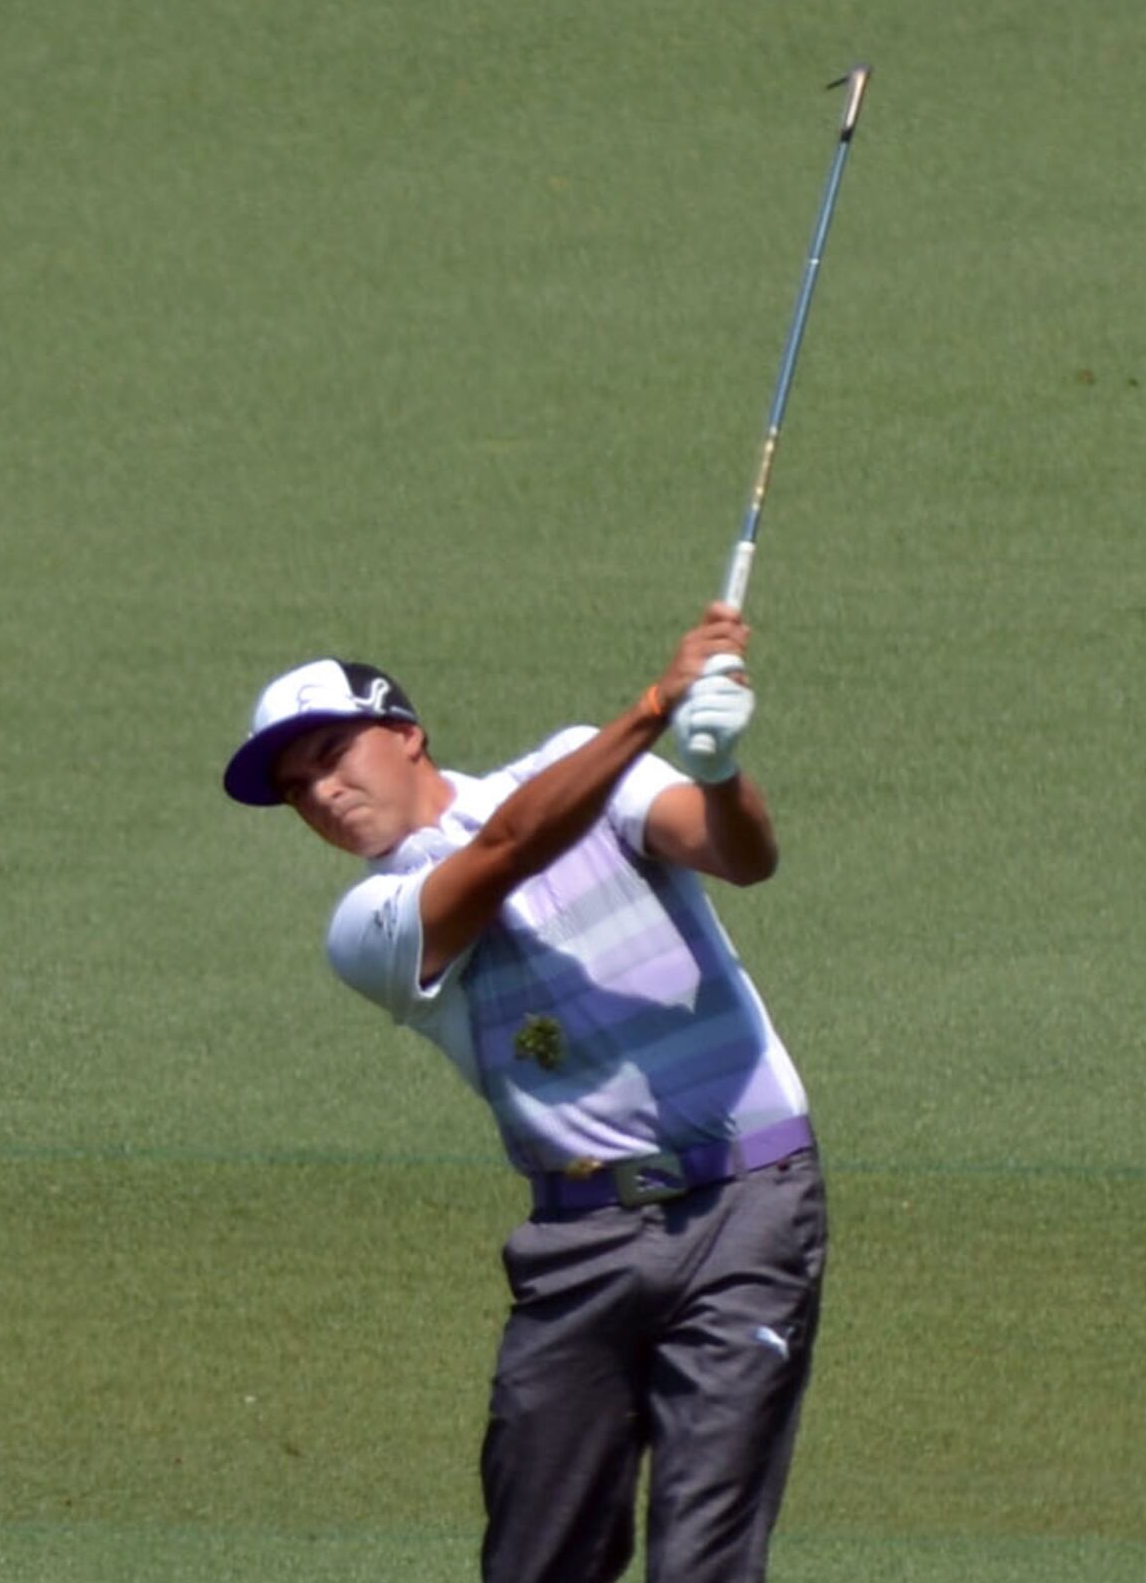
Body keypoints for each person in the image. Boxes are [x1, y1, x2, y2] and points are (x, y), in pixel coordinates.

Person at [223, 604, 819, 1583]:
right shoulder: (369, 924)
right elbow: (506, 852)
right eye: (295, 790)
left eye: (331, 754)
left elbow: (742, 856)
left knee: (704, 1560)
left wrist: (716, 770)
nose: (320, 792)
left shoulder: (585, 767)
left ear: (407, 734)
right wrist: (653, 708)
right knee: (536, 1563)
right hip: (579, 1245)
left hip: (749, 1207)